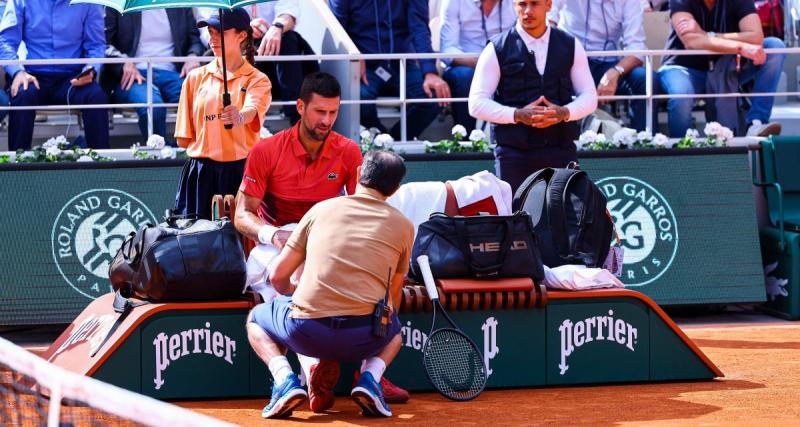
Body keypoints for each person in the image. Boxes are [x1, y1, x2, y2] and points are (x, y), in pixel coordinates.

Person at [235, 72, 410, 413]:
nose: (326, 121)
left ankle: (316, 371)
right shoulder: (267, 150)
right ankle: (314, 366)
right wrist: (274, 234)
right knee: (293, 280)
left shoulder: (347, 150)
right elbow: (242, 215)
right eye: (319, 112)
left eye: (332, 113)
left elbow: (364, 206)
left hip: (322, 241)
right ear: (300, 107)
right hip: (275, 243)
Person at [468, 0, 598, 193]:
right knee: (514, 218)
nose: (528, 11)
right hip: (514, 153)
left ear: (548, 5)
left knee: (566, 218)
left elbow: (589, 96)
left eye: (535, 4)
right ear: (514, 5)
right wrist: (517, 115)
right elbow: (476, 104)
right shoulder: (497, 47)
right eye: (522, 4)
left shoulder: (570, 44)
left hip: (561, 149)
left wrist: (564, 112)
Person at [173, 9, 272, 220]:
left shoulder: (258, 79)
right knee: (194, 245)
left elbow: (252, 109)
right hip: (199, 174)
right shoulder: (193, 79)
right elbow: (184, 140)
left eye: (220, 32)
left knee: (240, 245)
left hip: (240, 174)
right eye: (210, 32)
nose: (212, 39)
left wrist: (239, 117)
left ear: (242, 35)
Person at [658, 0, 786, 137]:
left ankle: (756, 123)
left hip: (723, 66)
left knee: (774, 46)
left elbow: (756, 37)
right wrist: (741, 46)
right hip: (684, 68)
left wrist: (709, 35)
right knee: (681, 95)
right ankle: (681, 151)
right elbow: (691, 41)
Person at [329, 0, 452, 141]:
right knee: (358, 96)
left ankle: (393, 142)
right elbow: (337, 27)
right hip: (365, 66)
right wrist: (353, 54)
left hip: (402, 64)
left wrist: (430, 72)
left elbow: (419, 28)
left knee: (436, 96)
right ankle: (379, 140)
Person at [0, 0, 109, 150]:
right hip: (33, 77)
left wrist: (91, 69)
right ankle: (17, 166)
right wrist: (18, 72)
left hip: (72, 79)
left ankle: (102, 166)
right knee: (22, 94)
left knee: (96, 96)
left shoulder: (88, 2)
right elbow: (5, 41)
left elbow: (96, 44)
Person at [197, 1, 316, 126]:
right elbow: (207, 34)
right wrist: (243, 32)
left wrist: (277, 28)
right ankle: (222, 115)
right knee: (211, 56)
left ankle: (296, 118)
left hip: (271, 59)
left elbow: (289, 11)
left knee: (288, 39)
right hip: (238, 56)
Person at [105, 8, 204, 144]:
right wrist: (123, 61)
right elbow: (103, 43)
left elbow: (195, 39)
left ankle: (191, 154)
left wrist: (193, 55)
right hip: (135, 75)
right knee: (153, 108)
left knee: (201, 99)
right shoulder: (120, 5)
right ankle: (162, 156)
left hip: (173, 73)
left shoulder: (178, 4)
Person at [549, 0, 651, 132]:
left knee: (645, 79)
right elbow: (548, 21)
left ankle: (644, 142)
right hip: (570, 61)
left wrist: (614, 72)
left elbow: (637, 50)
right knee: (548, 76)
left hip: (609, 65)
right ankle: (555, 142)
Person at [439, 0, 516, 131]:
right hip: (466, 65)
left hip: (506, 63)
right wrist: (484, 62)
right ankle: (466, 140)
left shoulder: (518, 3)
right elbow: (447, 49)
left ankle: (515, 139)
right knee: (464, 76)